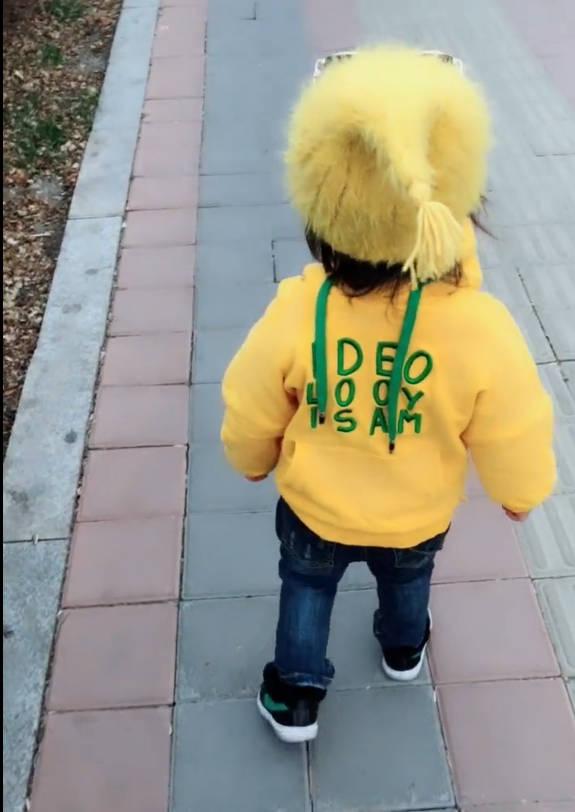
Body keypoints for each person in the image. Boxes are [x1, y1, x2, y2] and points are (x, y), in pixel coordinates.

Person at [220, 46, 556, 743]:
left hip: (314, 507)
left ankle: (296, 694)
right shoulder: (479, 326)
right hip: (416, 513)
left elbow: (252, 400)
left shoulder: (296, 310)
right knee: (407, 582)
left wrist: (251, 458)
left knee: (306, 587)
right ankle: (403, 650)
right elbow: (513, 423)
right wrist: (521, 491)